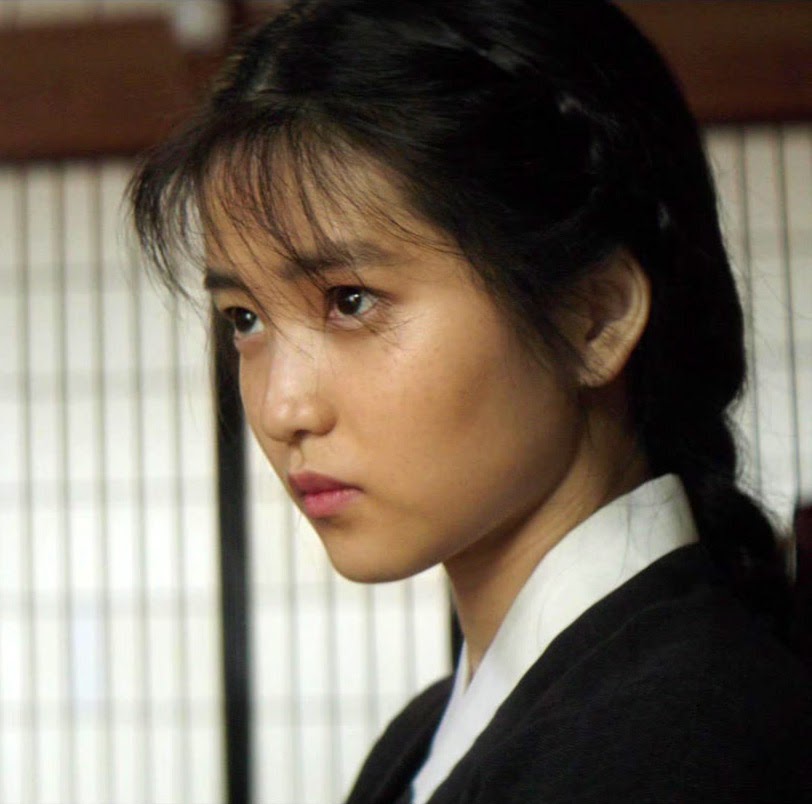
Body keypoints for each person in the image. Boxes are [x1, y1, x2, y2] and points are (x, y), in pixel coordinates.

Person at [130, 1, 811, 800]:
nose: (283, 410)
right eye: (243, 319)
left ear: (595, 318)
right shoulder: (428, 736)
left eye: (350, 301)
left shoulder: (683, 745)